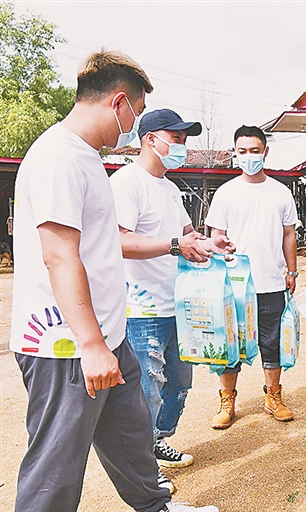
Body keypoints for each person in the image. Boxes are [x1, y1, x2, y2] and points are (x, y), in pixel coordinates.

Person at [10, 50, 217, 512]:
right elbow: (59, 256)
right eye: (136, 113)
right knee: (57, 463)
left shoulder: (85, 157)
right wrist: (90, 344)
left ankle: (154, 506)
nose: (133, 125)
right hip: (65, 343)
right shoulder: (58, 158)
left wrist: (106, 339)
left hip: (107, 331)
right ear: (119, 102)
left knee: (130, 433)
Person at [109, 108, 235, 492]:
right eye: (176, 139)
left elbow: (187, 235)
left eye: (184, 140)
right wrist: (173, 245)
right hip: (141, 309)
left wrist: (211, 245)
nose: (182, 146)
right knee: (146, 391)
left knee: (179, 382)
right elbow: (118, 240)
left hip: (178, 304)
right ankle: (144, 466)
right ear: (151, 139)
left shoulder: (169, 187)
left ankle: (157, 441)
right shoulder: (126, 183)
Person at [205, 125, 299, 428]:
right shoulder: (226, 193)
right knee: (231, 344)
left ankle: (273, 397)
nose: (249, 156)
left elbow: (289, 235)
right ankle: (227, 401)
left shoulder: (281, 192)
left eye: (254, 151)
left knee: (272, 343)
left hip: (271, 281)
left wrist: (292, 270)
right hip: (233, 284)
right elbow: (216, 235)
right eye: (242, 151)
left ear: (265, 152)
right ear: (235, 153)